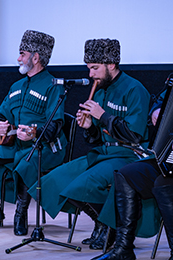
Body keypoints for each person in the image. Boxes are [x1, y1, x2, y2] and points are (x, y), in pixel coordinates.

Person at [40, 38, 150, 250]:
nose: (90, 74)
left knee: (82, 184)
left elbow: (135, 135)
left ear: (111, 65)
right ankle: (101, 223)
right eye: (89, 68)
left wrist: (103, 115)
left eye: (94, 68)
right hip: (104, 153)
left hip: (129, 155)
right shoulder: (99, 90)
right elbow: (96, 139)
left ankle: (111, 229)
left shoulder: (135, 89)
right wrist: (90, 126)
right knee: (56, 180)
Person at [0, 30, 67, 236]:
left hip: (44, 148)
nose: (18, 58)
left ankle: (20, 214)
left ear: (35, 57)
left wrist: (35, 134)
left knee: (26, 162)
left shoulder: (54, 86)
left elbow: (55, 126)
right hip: (17, 146)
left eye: (22, 53)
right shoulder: (16, 86)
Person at [92, 88, 173, 260]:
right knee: (127, 175)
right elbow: (161, 98)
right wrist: (156, 110)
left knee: (163, 183)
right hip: (169, 158)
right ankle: (123, 249)